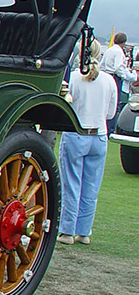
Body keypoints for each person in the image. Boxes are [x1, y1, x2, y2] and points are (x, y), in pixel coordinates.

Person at [57, 38, 119, 246]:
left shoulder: (74, 77)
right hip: (99, 135)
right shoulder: (109, 80)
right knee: (91, 187)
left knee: (71, 184)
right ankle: (84, 232)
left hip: (77, 133)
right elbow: (111, 113)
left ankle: (67, 230)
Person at [99, 32, 136, 116]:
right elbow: (118, 67)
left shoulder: (109, 50)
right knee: (115, 102)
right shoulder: (119, 52)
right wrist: (123, 76)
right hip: (115, 77)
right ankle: (112, 125)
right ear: (124, 42)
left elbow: (101, 65)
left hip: (107, 75)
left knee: (107, 101)